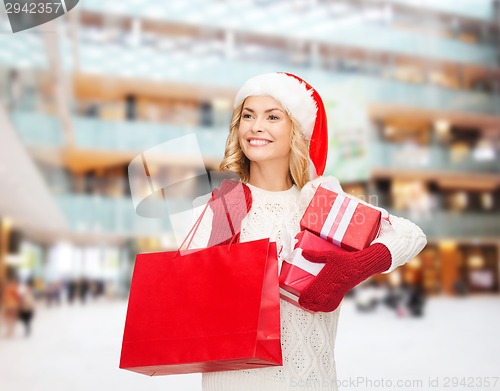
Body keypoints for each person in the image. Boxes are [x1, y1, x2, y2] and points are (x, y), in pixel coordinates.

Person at [189, 72, 427, 391]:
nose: (256, 126)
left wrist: (357, 266)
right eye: (248, 115)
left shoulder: (317, 201)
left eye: (272, 116)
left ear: (298, 131)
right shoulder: (221, 207)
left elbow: (410, 234)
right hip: (232, 382)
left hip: (309, 379)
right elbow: (193, 301)